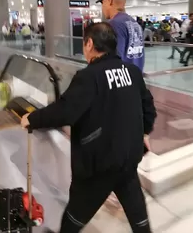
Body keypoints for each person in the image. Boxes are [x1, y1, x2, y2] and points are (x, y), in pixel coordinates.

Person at [20, 23, 156, 233]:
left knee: (75, 216)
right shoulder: (132, 72)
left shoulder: (89, 77)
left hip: (98, 165)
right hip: (128, 159)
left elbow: (65, 111)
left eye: (85, 44)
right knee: (139, 217)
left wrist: (33, 118)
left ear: (90, 44)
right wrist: (144, 132)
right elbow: (148, 108)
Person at [97, 0, 145, 71]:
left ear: (109, 0)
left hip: (122, 82)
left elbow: (113, 62)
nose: (102, 7)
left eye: (102, 3)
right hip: (136, 80)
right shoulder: (135, 24)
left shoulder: (113, 24)